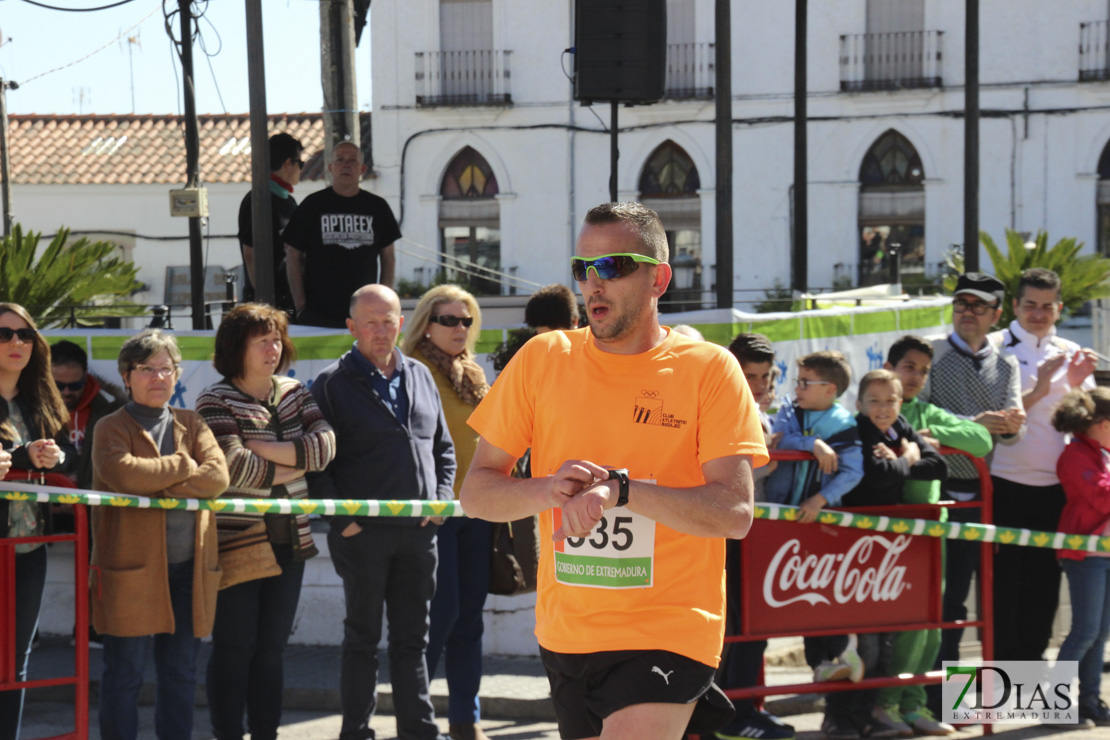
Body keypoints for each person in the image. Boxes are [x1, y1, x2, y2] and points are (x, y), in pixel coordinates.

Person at [461, 202, 768, 740]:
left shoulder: (709, 369)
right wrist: (547, 489)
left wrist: (623, 491)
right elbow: (478, 494)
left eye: (614, 266)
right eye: (583, 269)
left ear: (659, 279)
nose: (594, 284)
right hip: (568, 634)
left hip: (669, 629)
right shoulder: (541, 359)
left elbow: (735, 512)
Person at [310, 284, 456, 740]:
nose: (380, 330)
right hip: (363, 537)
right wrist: (344, 524)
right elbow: (317, 465)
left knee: (414, 641)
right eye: (370, 322)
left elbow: (444, 450)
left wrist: (440, 503)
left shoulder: (420, 375)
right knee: (362, 640)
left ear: (401, 322)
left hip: (419, 533)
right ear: (351, 327)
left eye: (388, 320)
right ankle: (355, 731)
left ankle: (420, 731)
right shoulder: (331, 384)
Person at [196, 304, 337, 740]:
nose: (273, 348)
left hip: (290, 539)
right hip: (238, 541)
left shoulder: (295, 392)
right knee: (236, 647)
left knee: (273, 650)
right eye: (262, 340)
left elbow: (325, 448)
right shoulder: (214, 400)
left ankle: (266, 733)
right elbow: (233, 467)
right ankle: (227, 733)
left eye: (277, 339)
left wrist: (266, 449)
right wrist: (297, 458)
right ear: (236, 347)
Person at [90, 329, 230, 740]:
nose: (158, 377)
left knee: (181, 673)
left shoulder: (193, 421)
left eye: (166, 368)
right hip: (129, 570)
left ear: (177, 374)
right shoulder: (110, 427)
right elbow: (125, 475)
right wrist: (185, 466)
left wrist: (159, 480)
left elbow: (218, 477)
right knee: (124, 674)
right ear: (126, 375)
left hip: (190, 569)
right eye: (147, 369)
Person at [873, 335, 992, 736]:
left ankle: (915, 704)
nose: (916, 377)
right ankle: (884, 705)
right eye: (909, 367)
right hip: (884, 537)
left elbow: (983, 440)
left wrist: (927, 443)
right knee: (896, 626)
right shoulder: (872, 412)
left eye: (924, 370)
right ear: (888, 368)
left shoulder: (923, 412)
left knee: (930, 624)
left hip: (929, 531)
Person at [918, 273, 1025, 697]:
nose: (967, 312)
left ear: (997, 314)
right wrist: (974, 427)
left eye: (978, 306)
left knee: (978, 604)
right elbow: (915, 417)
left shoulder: (1007, 363)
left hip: (983, 495)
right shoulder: (931, 352)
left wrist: (1012, 424)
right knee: (939, 603)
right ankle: (931, 699)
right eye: (961, 303)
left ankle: (961, 701)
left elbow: (1012, 433)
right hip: (933, 493)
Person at [827, 369, 946, 740]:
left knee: (884, 640)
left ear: (900, 402)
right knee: (859, 644)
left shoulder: (900, 427)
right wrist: (907, 459)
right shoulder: (857, 430)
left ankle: (873, 714)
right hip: (854, 547)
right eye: (874, 401)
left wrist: (903, 455)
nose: (883, 408)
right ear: (859, 404)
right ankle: (840, 719)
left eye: (890, 400)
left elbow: (938, 466)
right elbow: (875, 475)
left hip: (887, 552)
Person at [989, 268, 1098, 661]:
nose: (1038, 314)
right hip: (1003, 481)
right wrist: (1039, 389)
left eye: (1047, 306)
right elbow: (998, 418)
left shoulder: (1071, 352)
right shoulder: (993, 347)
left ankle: (1028, 678)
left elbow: (1086, 424)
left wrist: (1074, 383)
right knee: (1001, 585)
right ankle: (993, 683)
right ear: (1015, 306)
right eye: (1030, 305)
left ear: (1059, 309)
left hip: (1056, 488)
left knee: (1044, 585)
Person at [402, 285, 492, 740]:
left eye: (467, 321)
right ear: (426, 324)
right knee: (443, 616)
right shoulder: (413, 372)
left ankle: (465, 720)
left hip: (476, 511)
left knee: (470, 618)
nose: (460, 329)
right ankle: (416, 720)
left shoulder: (472, 372)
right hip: (436, 512)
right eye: (450, 320)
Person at [763, 351, 866, 739]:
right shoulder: (791, 411)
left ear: (831, 390)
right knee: (797, 600)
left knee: (820, 596)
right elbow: (777, 438)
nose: (797, 388)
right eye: (797, 381)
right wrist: (813, 445)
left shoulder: (844, 422)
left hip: (820, 525)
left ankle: (841, 653)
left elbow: (854, 469)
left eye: (806, 383)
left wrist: (819, 501)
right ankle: (822, 662)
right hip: (783, 524)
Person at [717, 333, 793, 740]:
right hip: (727, 534)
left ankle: (744, 707)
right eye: (750, 375)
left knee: (754, 627)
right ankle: (727, 716)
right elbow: (746, 468)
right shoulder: (721, 408)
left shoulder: (763, 412)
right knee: (733, 627)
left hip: (757, 535)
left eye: (766, 375)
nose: (760, 385)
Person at [0, 303, 70, 740]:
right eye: (4, 334)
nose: (16, 343)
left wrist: (54, 455)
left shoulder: (37, 398)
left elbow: (69, 455)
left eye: (25, 336)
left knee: (15, 660)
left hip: (28, 545)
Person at [283, 141, 401, 328]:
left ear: (362, 168)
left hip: (366, 314)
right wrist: (300, 305)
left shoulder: (378, 207)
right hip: (317, 314)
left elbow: (389, 258)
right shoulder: (312, 205)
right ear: (331, 167)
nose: (346, 165)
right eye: (340, 160)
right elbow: (292, 254)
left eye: (352, 161)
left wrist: (384, 304)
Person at [1052, 387, 1110, 728]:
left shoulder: (1101, 453)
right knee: (1085, 631)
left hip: (1103, 553)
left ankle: (1089, 701)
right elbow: (1102, 498)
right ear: (1102, 424)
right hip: (1085, 554)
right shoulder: (1075, 455)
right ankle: (1055, 706)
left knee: (1100, 634)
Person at [237, 132, 303, 313]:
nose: (301, 170)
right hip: (268, 305)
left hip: (289, 300)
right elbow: (251, 254)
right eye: (300, 164)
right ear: (288, 163)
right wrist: (265, 304)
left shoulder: (289, 202)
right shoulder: (257, 200)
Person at [50, 339, 126, 489]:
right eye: (58, 385)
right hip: (41, 503)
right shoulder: (29, 407)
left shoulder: (109, 410)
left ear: (85, 377)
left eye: (74, 385)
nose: (66, 392)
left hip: (90, 503)